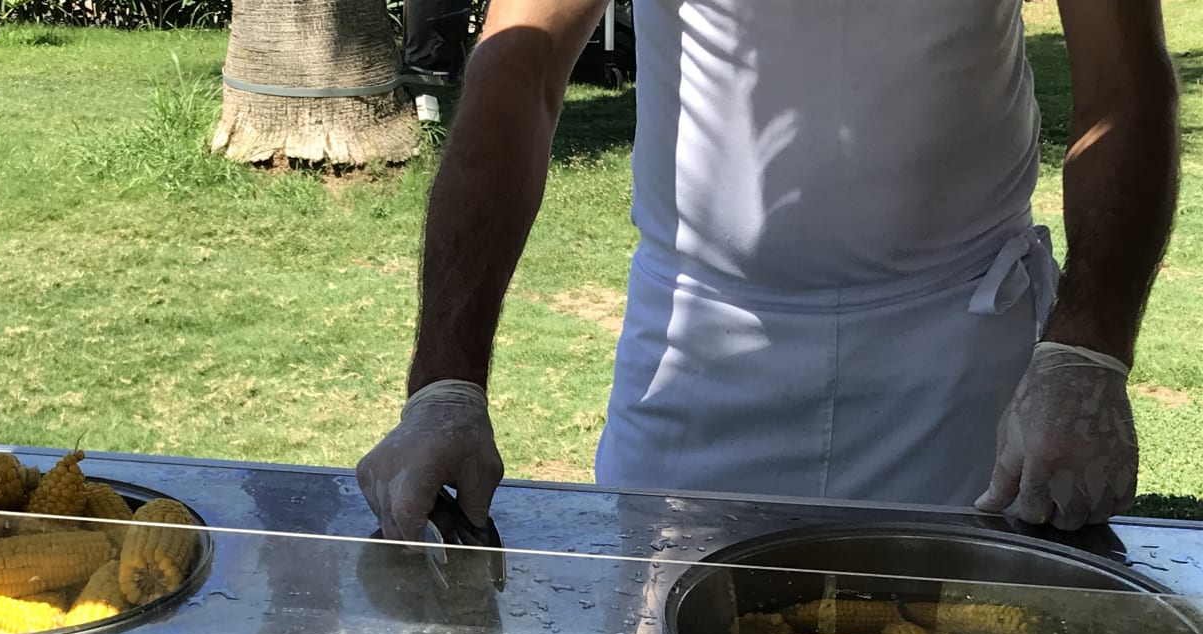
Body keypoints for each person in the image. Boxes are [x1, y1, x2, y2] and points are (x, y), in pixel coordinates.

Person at [357, 0, 1180, 538]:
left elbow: (1124, 88)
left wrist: (1087, 353)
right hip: (697, 353)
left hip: (955, 352)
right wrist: (444, 386)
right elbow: (519, 69)